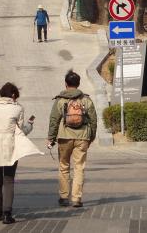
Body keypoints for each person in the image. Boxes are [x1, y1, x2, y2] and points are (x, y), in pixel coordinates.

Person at [0, 82, 42, 224]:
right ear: (13, 95)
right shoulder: (18, 108)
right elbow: (20, 131)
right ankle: (8, 213)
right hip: (10, 146)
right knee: (8, 179)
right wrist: (30, 125)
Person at [47, 69, 97, 208]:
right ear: (79, 83)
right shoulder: (86, 99)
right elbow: (93, 119)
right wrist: (91, 136)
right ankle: (76, 198)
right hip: (82, 137)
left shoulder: (60, 100)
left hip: (64, 137)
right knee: (79, 167)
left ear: (65, 84)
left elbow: (54, 120)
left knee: (64, 166)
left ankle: (63, 197)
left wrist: (51, 137)